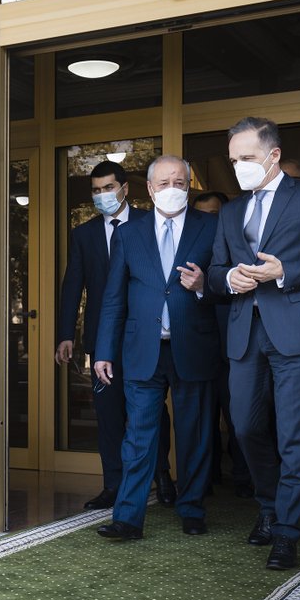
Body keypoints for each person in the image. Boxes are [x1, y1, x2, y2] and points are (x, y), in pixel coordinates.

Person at [207, 117, 300, 571]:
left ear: (272, 155)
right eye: (234, 160)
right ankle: (269, 506)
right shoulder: (231, 211)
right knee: (246, 429)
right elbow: (215, 271)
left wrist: (283, 271)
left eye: (246, 158)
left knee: (295, 435)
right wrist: (230, 277)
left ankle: (286, 531)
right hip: (244, 332)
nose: (238, 168)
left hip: (298, 333)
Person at [94, 155, 220, 539]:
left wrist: (204, 287)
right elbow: (114, 297)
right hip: (142, 350)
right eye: (163, 183)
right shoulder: (129, 234)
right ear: (149, 189)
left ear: (189, 186)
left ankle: (192, 508)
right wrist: (103, 351)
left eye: (179, 182)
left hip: (193, 346)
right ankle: (128, 518)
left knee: (194, 434)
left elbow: (228, 288)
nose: (172, 189)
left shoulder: (212, 227)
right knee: (139, 437)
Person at [56, 161, 141, 509]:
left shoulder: (148, 224)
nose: (102, 195)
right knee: (107, 416)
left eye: (108, 188)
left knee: (147, 412)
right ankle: (113, 485)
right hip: (101, 338)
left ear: (124, 189)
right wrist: (65, 335)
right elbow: (72, 285)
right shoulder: (84, 234)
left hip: (143, 336)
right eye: (96, 190)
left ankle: (161, 478)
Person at [194, 191, 253, 498]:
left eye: (214, 214)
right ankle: (208, 478)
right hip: (200, 345)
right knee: (203, 415)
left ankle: (245, 479)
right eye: (202, 214)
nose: (209, 221)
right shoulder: (189, 244)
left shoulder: (237, 240)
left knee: (239, 414)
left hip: (235, 343)